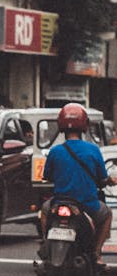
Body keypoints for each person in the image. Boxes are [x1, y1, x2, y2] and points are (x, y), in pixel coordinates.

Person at [40, 103, 117, 266]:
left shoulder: (55, 151)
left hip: (59, 202)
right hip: (87, 205)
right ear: (84, 125)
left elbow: (47, 176)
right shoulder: (93, 149)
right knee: (107, 214)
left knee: (45, 210)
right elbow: (102, 177)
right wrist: (110, 180)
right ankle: (96, 253)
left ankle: (46, 243)